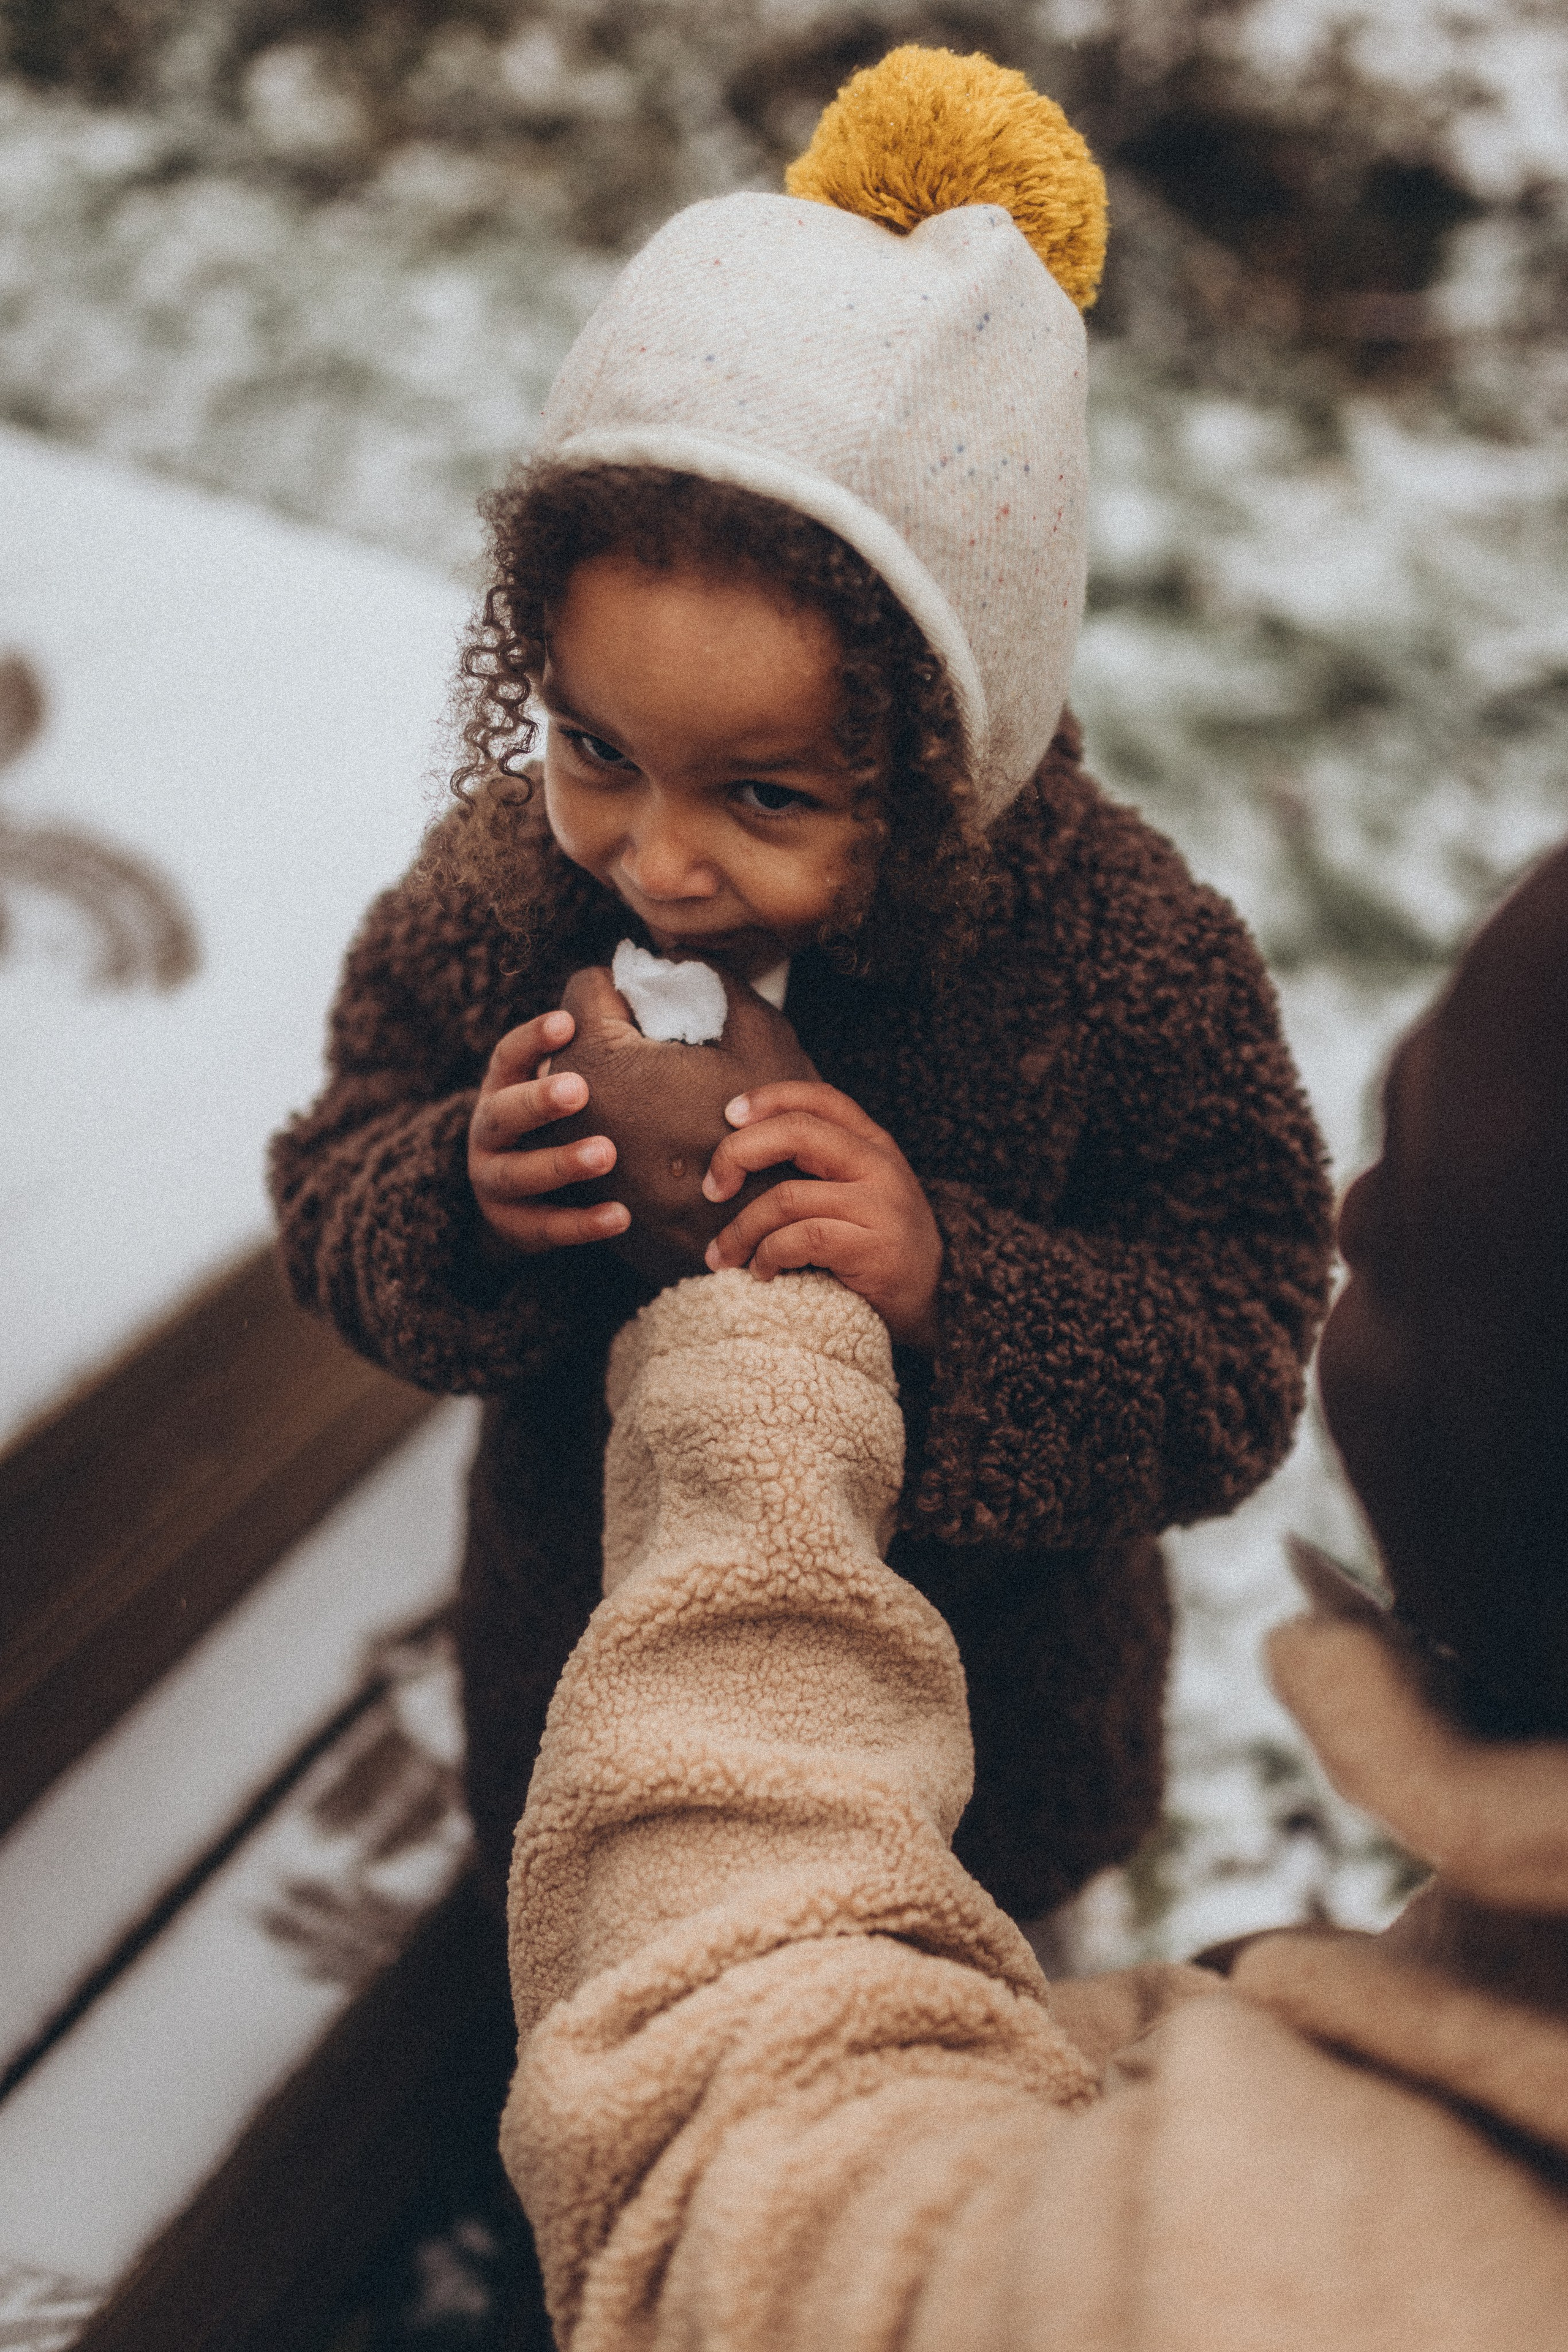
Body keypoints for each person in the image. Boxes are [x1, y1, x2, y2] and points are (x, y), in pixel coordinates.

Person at [270, 47, 1332, 1924]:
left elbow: (1240, 1344)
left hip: (966, 1781)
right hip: (599, 1715)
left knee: (951, 2169)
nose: (658, 859)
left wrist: (955, 1285)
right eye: (597, 745)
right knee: (603, 2051)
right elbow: (334, 1161)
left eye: (764, 796)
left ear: (951, 758)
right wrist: (459, 1191)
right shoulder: (511, 892)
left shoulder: (1122, 966)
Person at [502, 838, 1568, 2350]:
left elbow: (735, 2183)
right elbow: (357, 1181)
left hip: (977, 1790)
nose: (1351, 1221)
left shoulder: (1331, 2282)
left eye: (1403, 1220)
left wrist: (787, 1316)